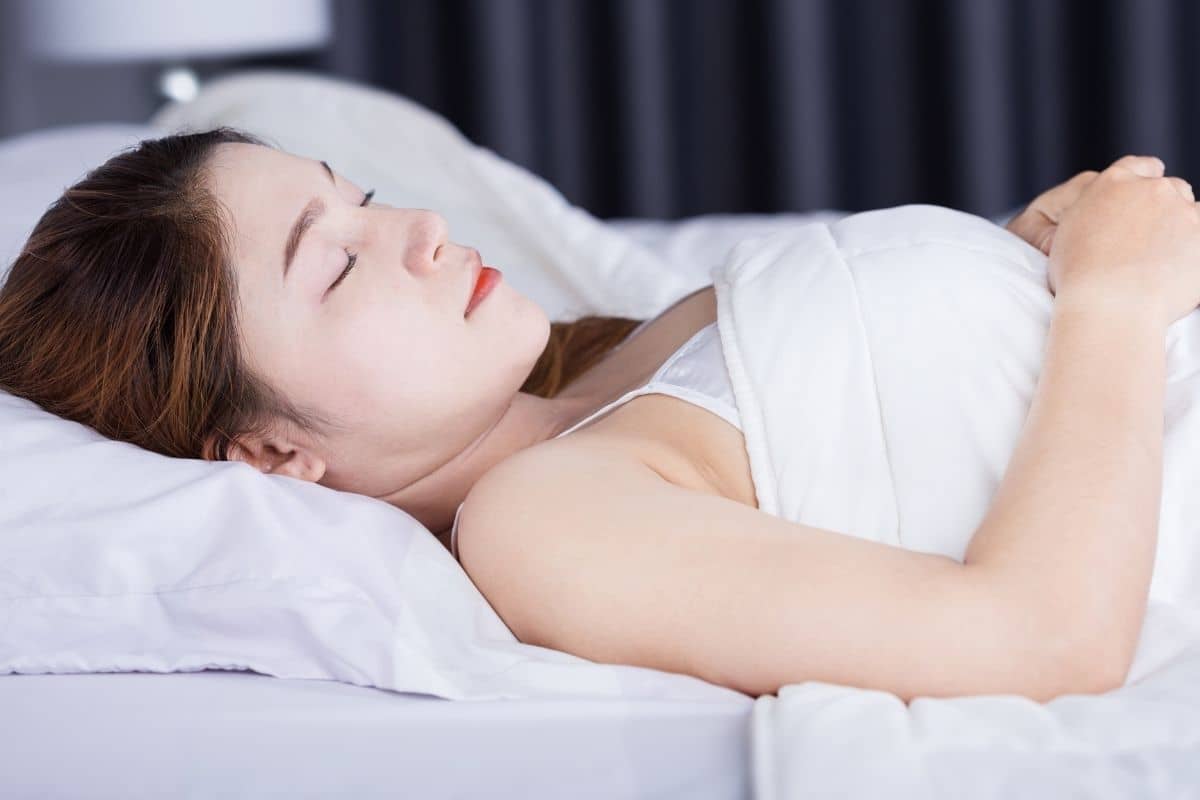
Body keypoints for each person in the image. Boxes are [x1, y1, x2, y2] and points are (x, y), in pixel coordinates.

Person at [1, 128, 1197, 702]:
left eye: (361, 196)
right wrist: (1113, 295)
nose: (418, 228)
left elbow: (907, 429)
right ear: (272, 451)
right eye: (340, 261)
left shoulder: (619, 364)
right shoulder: (542, 521)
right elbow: (1043, 639)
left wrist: (1034, 253)